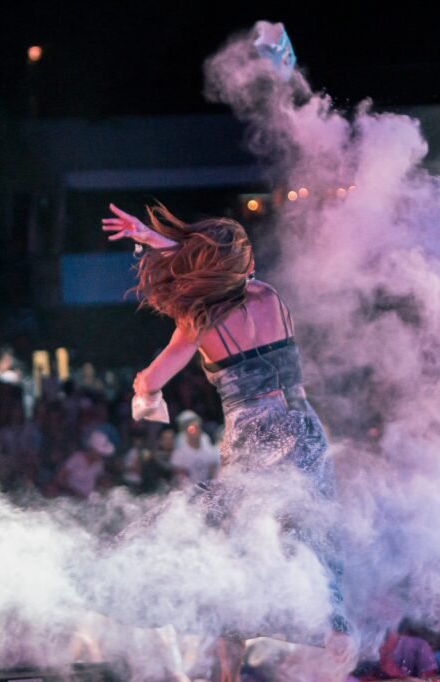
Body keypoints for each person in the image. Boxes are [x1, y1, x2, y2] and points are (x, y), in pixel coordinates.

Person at [102, 202, 354, 680]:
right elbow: (222, 272)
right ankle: (333, 625)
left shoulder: (197, 324)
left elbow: (153, 380)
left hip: (257, 436)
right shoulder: (269, 296)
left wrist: (144, 390)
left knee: (228, 541)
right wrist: (154, 239)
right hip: (304, 429)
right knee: (310, 530)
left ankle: (224, 670)